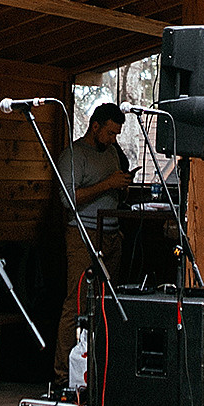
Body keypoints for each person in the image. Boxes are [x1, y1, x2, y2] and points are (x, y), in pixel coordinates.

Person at [55, 103, 130, 381]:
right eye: (110, 133)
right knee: (75, 306)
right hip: (82, 236)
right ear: (95, 126)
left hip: (111, 235)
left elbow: (112, 186)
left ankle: (99, 372)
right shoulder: (73, 155)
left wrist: (121, 185)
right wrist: (108, 184)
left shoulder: (111, 152)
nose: (113, 139)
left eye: (117, 134)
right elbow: (68, 199)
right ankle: (64, 375)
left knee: (106, 305)